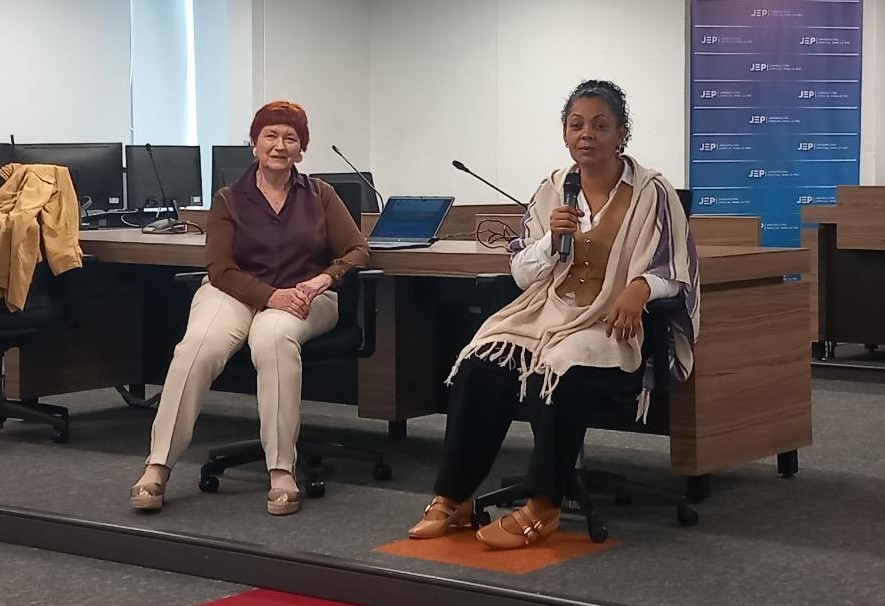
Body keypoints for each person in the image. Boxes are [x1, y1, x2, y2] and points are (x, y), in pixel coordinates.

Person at [408, 80, 700, 549]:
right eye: (576, 125)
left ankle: (543, 506)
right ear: (565, 134)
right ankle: (455, 496)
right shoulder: (553, 190)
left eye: (600, 125)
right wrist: (549, 241)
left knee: (561, 369)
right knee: (481, 362)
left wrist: (641, 287)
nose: (587, 134)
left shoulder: (652, 192)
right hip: (549, 313)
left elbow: (675, 268)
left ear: (621, 134)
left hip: (612, 324)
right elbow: (522, 272)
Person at [130, 101, 370, 516]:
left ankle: (281, 470)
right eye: (270, 136)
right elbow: (220, 269)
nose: (280, 145)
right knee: (197, 347)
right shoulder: (229, 199)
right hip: (234, 291)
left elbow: (357, 250)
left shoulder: (320, 194)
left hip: (305, 295)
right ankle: (157, 466)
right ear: (254, 144)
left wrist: (323, 279)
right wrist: (269, 296)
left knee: (273, 337)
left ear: (301, 149)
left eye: (290, 138)